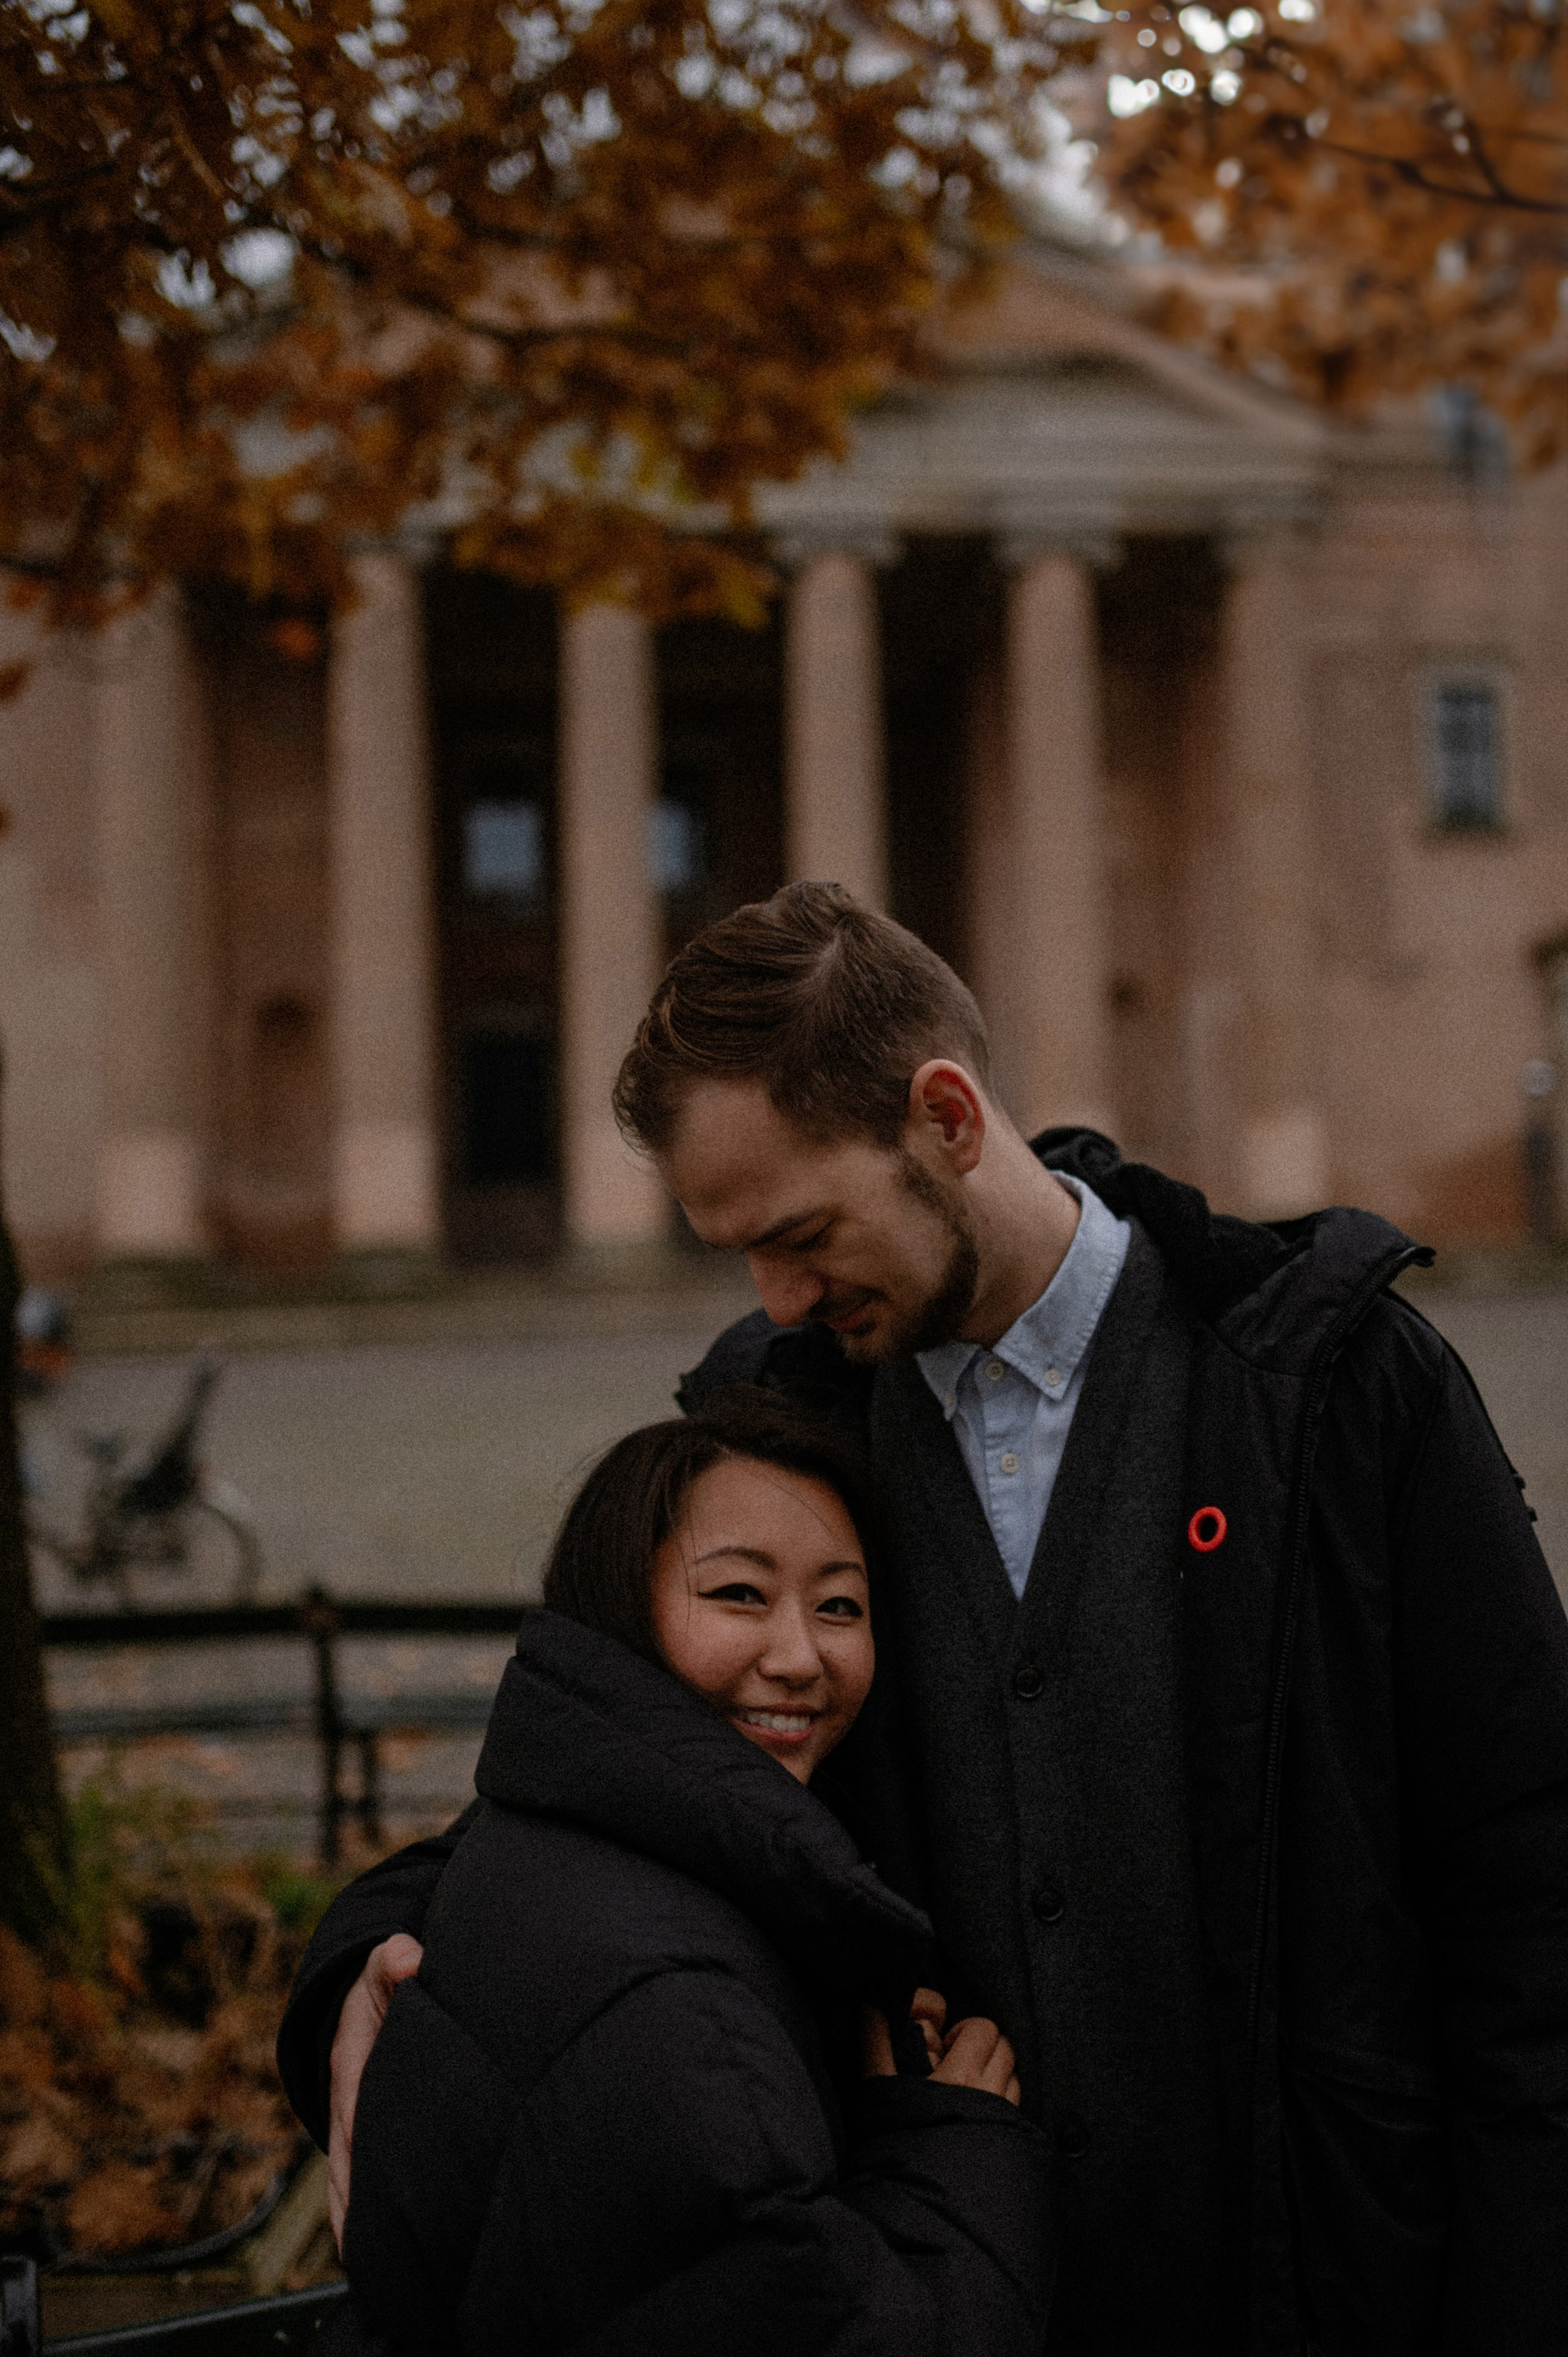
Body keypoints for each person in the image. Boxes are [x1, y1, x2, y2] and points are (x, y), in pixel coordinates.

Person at [281, 883, 1568, 2356]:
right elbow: (606, 1774)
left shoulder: (1338, 1388)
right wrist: (373, 1963)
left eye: (801, 1231)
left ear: (946, 1119)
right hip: (945, 2295)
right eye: (737, 1255)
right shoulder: (775, 1415)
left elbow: (1528, 1886)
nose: (774, 1292)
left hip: (1323, 2288)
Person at [294, 1387, 1052, 2357]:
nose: (799, 1656)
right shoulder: (678, 2013)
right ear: (622, 1604)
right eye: (738, 1593)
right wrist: (954, 2149)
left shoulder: (575, 1831)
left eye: (839, 1606)